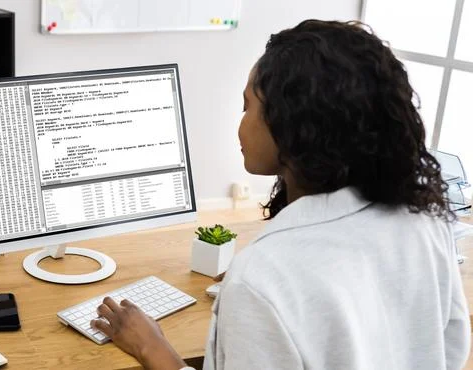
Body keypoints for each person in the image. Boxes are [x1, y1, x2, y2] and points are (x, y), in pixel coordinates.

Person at [91, 20, 471, 370]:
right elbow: (450, 350)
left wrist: (153, 349)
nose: (241, 123)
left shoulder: (261, 279)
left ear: (292, 125)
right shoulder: (426, 222)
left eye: (248, 106)